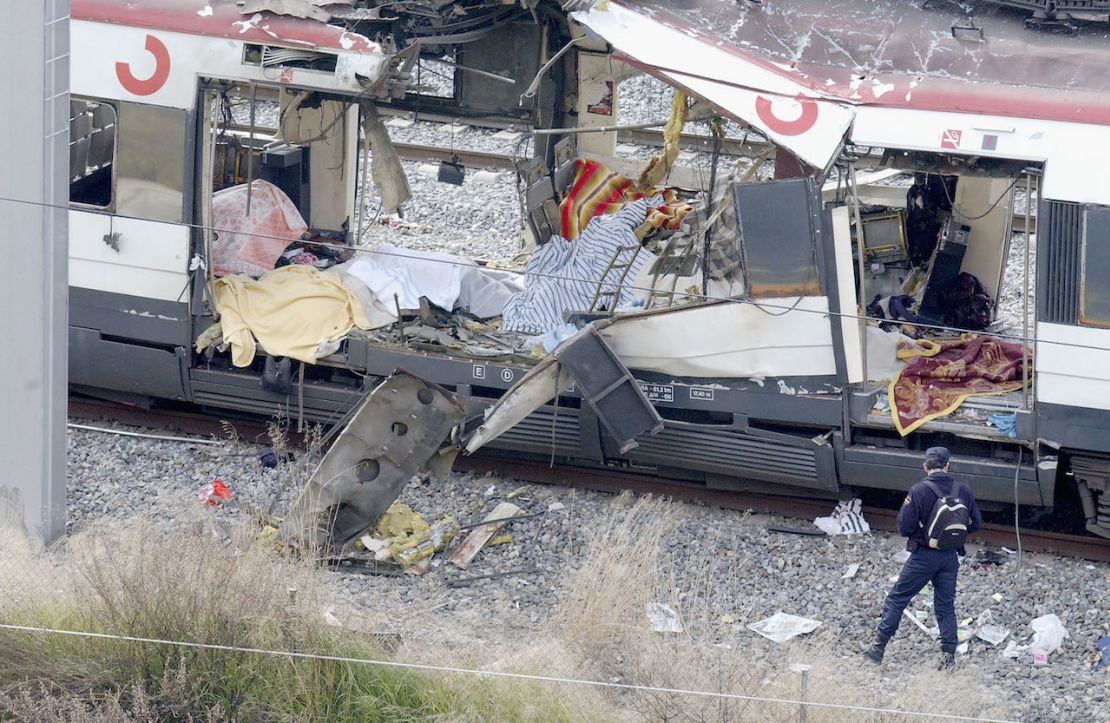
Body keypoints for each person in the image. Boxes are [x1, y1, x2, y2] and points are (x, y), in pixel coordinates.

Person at [862, 446, 982, 669]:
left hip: (923, 557)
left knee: (898, 598)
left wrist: (925, 538)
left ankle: (877, 648)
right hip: (950, 558)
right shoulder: (963, 490)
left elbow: (904, 527)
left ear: (925, 466)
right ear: (947, 466)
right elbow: (975, 523)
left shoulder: (918, 491)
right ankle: (948, 657)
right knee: (945, 606)